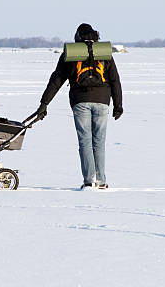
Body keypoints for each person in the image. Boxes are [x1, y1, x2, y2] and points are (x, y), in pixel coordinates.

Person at [36, 23, 123, 190]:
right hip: (103, 101)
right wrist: (118, 105)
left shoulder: (71, 54)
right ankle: (101, 180)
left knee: (85, 141)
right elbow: (115, 80)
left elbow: (56, 80)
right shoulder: (104, 53)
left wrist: (44, 104)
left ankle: (89, 180)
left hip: (80, 101)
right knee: (99, 142)